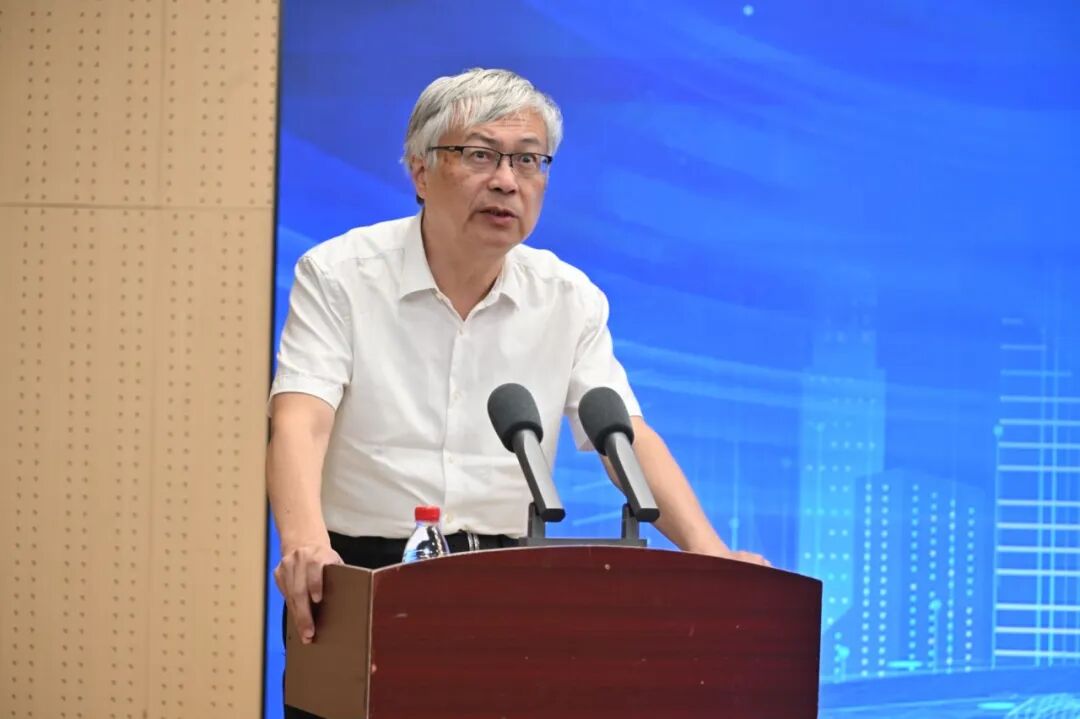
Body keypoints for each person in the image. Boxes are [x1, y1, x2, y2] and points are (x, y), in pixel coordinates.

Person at [267, 67, 769, 717]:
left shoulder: (568, 297)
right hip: (361, 573)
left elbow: (623, 435)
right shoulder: (340, 275)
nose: (507, 180)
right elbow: (300, 419)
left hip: (506, 583)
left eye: (528, 160)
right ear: (420, 171)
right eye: (480, 155)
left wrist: (710, 554)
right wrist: (305, 543)